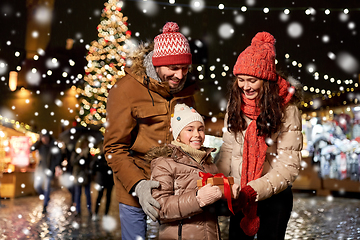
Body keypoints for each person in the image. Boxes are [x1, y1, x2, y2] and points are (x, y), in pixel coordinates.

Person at [104, 21, 196, 240]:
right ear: (155, 64)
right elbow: (113, 148)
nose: (180, 75)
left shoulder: (185, 88)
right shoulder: (125, 90)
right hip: (136, 188)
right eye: (173, 68)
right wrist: (139, 184)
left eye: (184, 68)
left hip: (176, 189)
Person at [215, 32, 303, 239]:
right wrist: (219, 181)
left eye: (252, 80)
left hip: (274, 196)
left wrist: (253, 191)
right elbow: (228, 149)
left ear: (266, 81)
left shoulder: (287, 110)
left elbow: (288, 165)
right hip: (239, 195)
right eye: (241, 80)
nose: (245, 86)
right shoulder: (235, 105)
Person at [148, 103, 238, 240]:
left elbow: (214, 210)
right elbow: (160, 208)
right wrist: (198, 198)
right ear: (177, 134)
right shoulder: (164, 163)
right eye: (190, 130)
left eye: (200, 129)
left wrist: (229, 196)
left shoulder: (209, 164)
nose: (197, 134)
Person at [31, 131, 62, 214]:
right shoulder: (40, 145)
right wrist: (38, 141)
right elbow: (32, 148)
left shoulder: (53, 145)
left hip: (49, 169)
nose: (45, 139)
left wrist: (56, 166)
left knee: (47, 187)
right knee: (37, 186)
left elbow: (59, 156)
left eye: (46, 137)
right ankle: (46, 197)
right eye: (43, 137)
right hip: (40, 169)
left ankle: (45, 206)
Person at [71, 136, 93, 218]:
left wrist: (87, 157)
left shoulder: (89, 154)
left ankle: (90, 210)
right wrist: (80, 156)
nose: (85, 146)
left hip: (86, 176)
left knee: (87, 194)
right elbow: (73, 162)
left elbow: (91, 165)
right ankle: (78, 210)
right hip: (78, 176)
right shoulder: (76, 152)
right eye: (83, 144)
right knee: (78, 194)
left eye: (86, 144)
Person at [91, 141, 114, 221]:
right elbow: (94, 167)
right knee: (99, 197)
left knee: (108, 198)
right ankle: (96, 213)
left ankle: (105, 214)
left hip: (109, 180)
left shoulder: (110, 157)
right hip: (102, 180)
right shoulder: (99, 158)